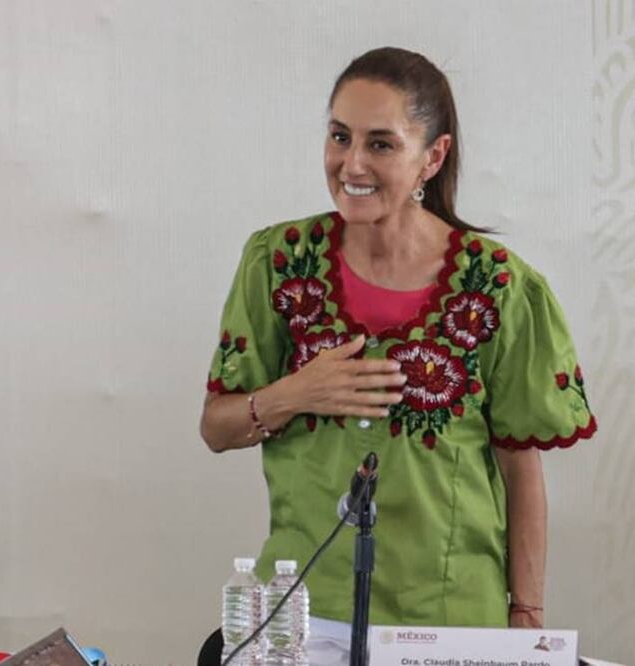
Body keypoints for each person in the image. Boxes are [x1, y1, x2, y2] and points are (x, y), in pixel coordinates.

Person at [200, 46, 596, 661]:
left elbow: (522, 472)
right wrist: (294, 393)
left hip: (451, 616)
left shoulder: (499, 286)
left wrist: (527, 614)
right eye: (339, 136)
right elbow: (217, 427)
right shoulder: (278, 262)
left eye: (381, 144)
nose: (351, 163)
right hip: (305, 613)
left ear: (431, 158)